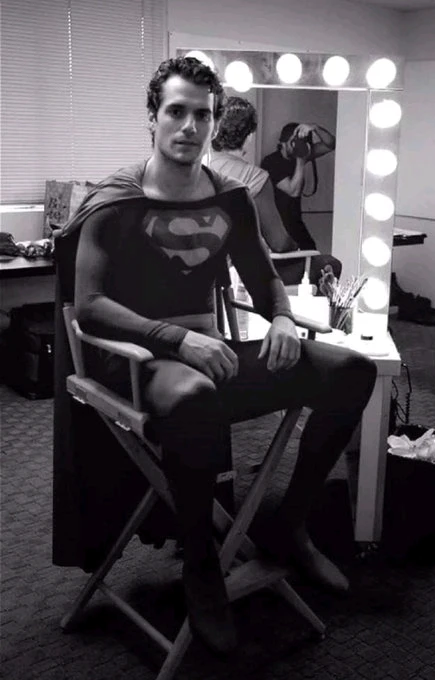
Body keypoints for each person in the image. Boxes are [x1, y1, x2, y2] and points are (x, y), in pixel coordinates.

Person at [53, 57, 376, 656]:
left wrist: (282, 318)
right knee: (196, 398)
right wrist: (178, 340)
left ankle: (290, 525)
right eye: (176, 111)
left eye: (202, 114)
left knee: (351, 372)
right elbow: (89, 306)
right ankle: (201, 564)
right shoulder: (115, 200)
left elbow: (262, 274)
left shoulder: (232, 198)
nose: (189, 126)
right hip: (138, 362)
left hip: (212, 356)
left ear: (214, 121)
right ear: (152, 118)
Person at [210, 96, 342, 286]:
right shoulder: (259, 172)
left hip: (206, 272)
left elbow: (330, 144)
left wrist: (314, 128)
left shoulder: (198, 166)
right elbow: (280, 243)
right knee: (329, 264)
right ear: (249, 136)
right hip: (242, 270)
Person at [261, 120, 337, 255]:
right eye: (294, 141)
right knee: (289, 261)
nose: (297, 145)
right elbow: (293, 191)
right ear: (283, 142)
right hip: (277, 225)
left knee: (311, 252)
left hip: (295, 222)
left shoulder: (298, 156)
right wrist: (301, 161)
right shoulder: (271, 162)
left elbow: (331, 144)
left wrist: (315, 127)